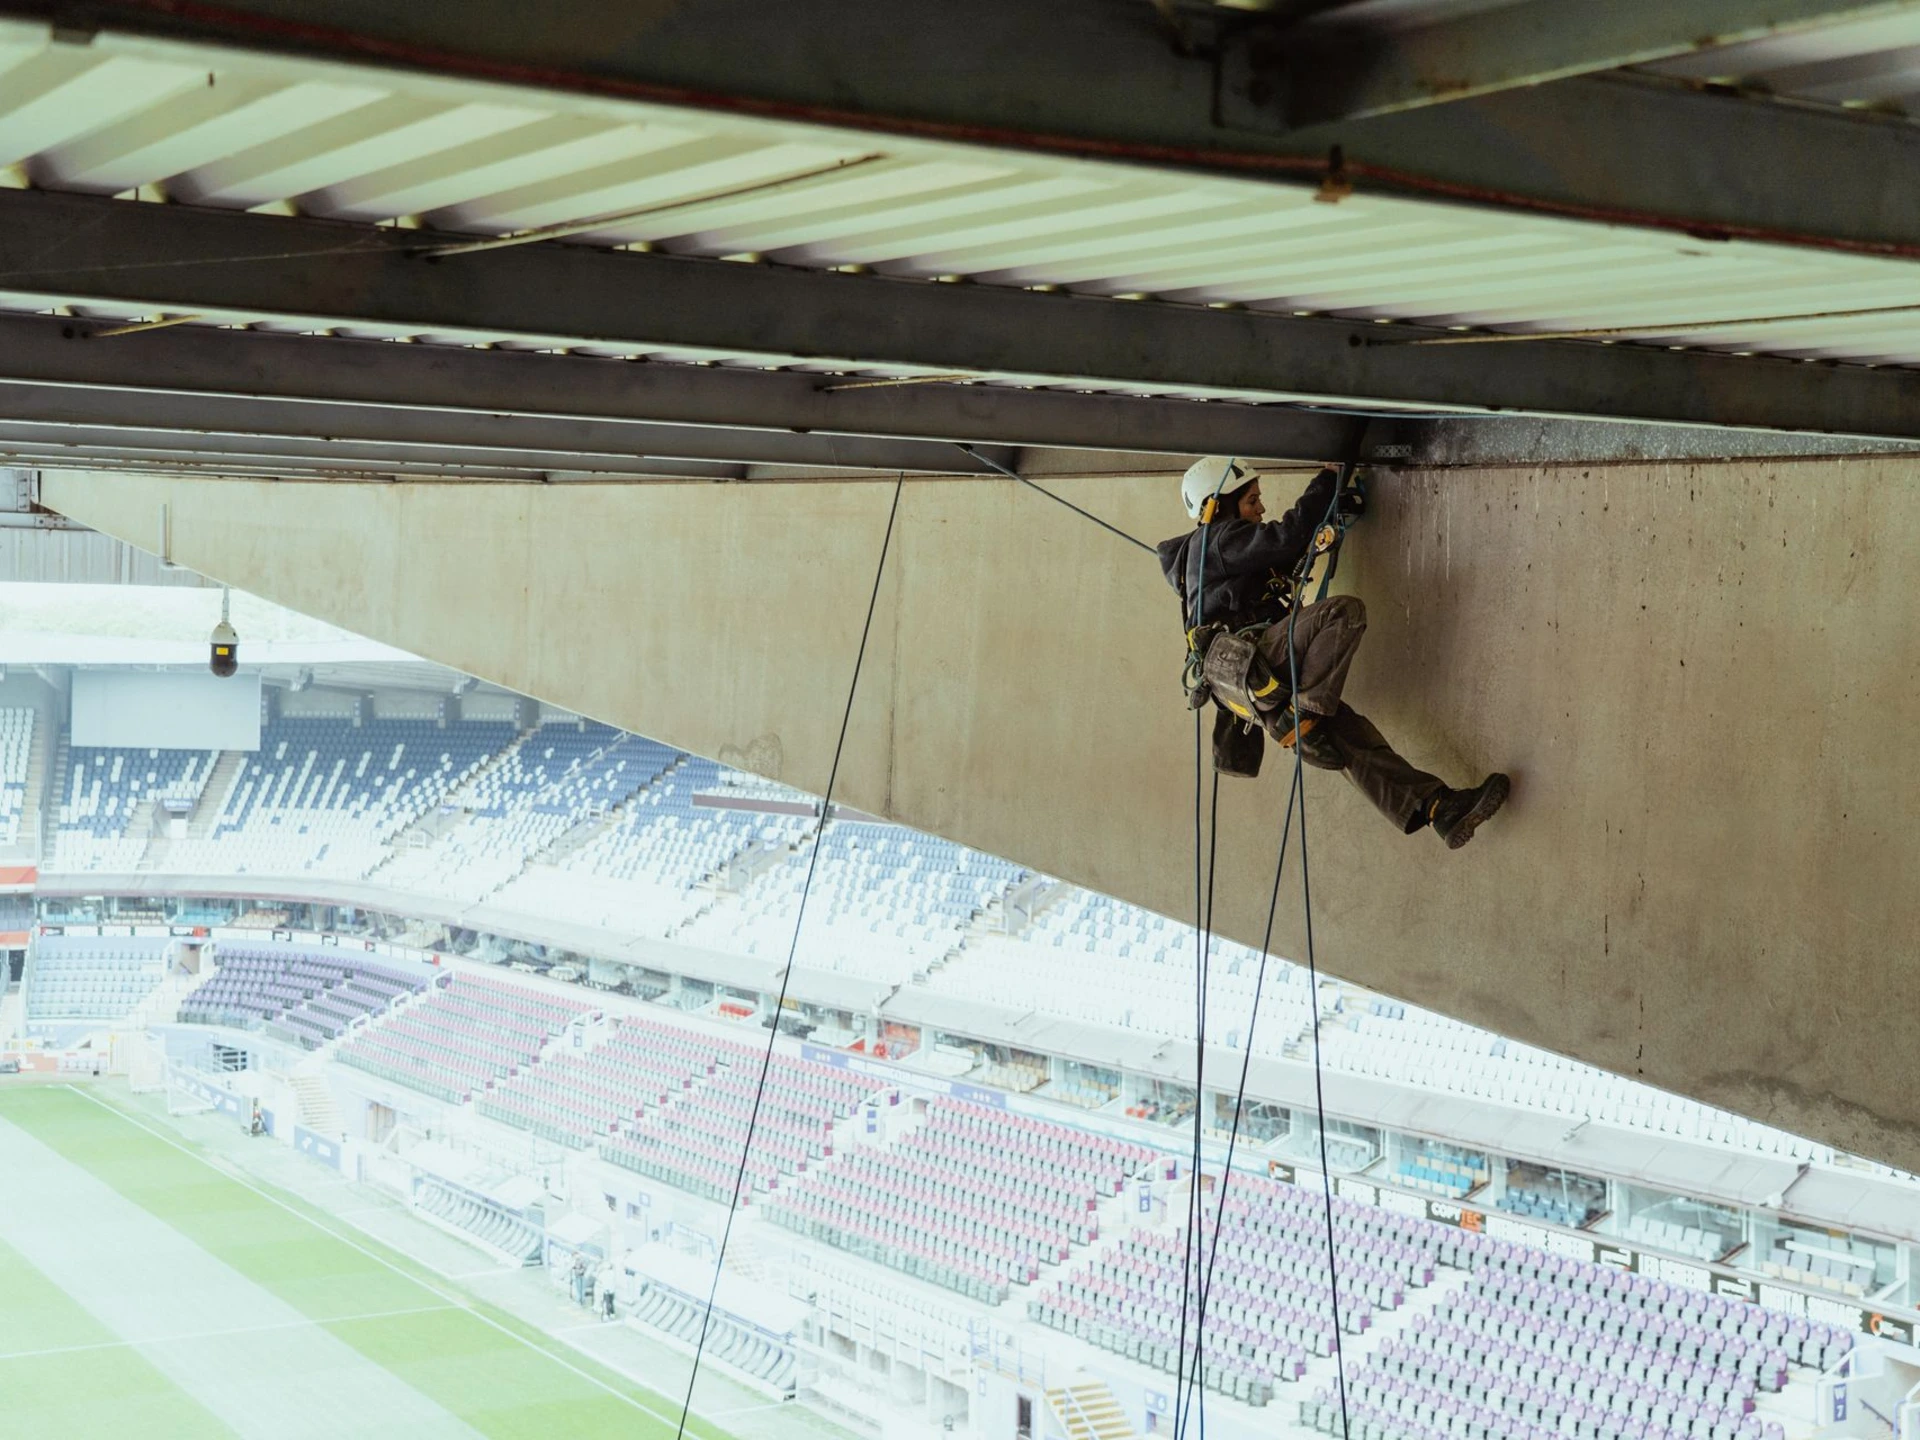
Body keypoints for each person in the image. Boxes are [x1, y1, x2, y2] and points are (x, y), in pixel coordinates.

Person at [1157, 457, 1509, 848]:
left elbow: (1285, 552)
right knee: (1343, 613)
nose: (1261, 509)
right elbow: (1285, 538)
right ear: (1216, 506)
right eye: (1251, 500)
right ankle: (1303, 716)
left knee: (1354, 739)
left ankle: (1438, 808)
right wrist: (1329, 476)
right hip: (1257, 666)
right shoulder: (1216, 540)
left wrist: (1329, 518)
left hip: (1253, 683)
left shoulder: (1212, 559)